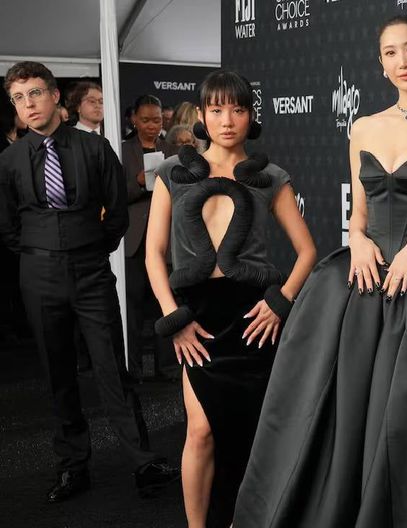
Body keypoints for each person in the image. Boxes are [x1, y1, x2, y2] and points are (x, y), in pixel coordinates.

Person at [233, 14, 407, 528]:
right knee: (337, 403)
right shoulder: (363, 127)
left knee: (404, 408)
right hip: (363, 275)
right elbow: (358, 214)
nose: (402, 61)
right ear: (380, 64)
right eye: (390, 53)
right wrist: (355, 240)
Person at [0, 61, 179, 504]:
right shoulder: (9, 160)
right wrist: (43, 252)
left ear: (55, 96)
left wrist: (88, 249)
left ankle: (143, 461)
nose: (28, 105)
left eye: (35, 93)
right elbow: (8, 227)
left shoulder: (95, 149)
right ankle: (72, 466)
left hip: (91, 271)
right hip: (38, 274)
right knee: (57, 373)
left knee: (112, 368)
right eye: (19, 98)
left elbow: (116, 214)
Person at [146, 70, 316, 528]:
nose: (227, 120)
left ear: (250, 116)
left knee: (252, 435)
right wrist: (173, 318)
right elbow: (154, 254)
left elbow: (307, 251)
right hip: (196, 319)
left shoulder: (271, 177)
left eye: (238, 109)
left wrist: (280, 301)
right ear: (202, 116)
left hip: (253, 319)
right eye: (217, 110)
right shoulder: (172, 173)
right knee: (200, 432)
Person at [122, 95, 169, 379]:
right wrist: (138, 183)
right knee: (133, 306)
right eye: (146, 120)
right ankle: (133, 366)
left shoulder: (172, 149)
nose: (152, 125)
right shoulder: (122, 150)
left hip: (165, 241)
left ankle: (166, 366)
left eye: (157, 120)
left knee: (166, 303)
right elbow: (114, 193)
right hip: (134, 241)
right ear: (134, 120)